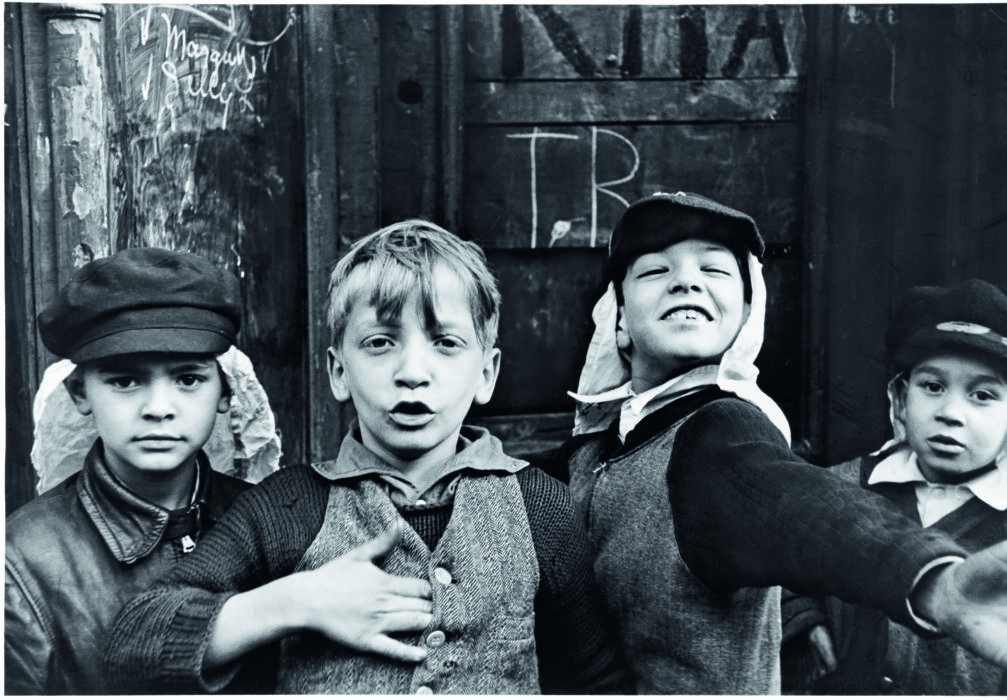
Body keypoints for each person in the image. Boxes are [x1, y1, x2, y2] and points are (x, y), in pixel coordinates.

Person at [104, 219, 629, 694]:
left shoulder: (539, 507)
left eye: (445, 343)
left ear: (486, 374)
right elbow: (134, 642)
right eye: (380, 342)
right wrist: (296, 602)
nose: (413, 372)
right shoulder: (288, 508)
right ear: (338, 372)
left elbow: (596, 681)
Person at [546, 191, 1007, 693]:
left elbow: (808, 508)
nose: (686, 280)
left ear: (748, 312)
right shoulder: (594, 450)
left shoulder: (720, 431)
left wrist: (932, 579)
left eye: (715, 270)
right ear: (617, 319)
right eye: (655, 271)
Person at [4, 247, 261, 694]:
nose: (158, 409)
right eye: (124, 381)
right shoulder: (22, 561)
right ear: (80, 392)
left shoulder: (268, 519)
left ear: (225, 391)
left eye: (187, 379)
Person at [781, 278, 1007, 695]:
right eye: (932, 386)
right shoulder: (841, 486)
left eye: (982, 395)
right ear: (900, 398)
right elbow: (783, 561)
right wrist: (803, 620)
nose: (950, 413)